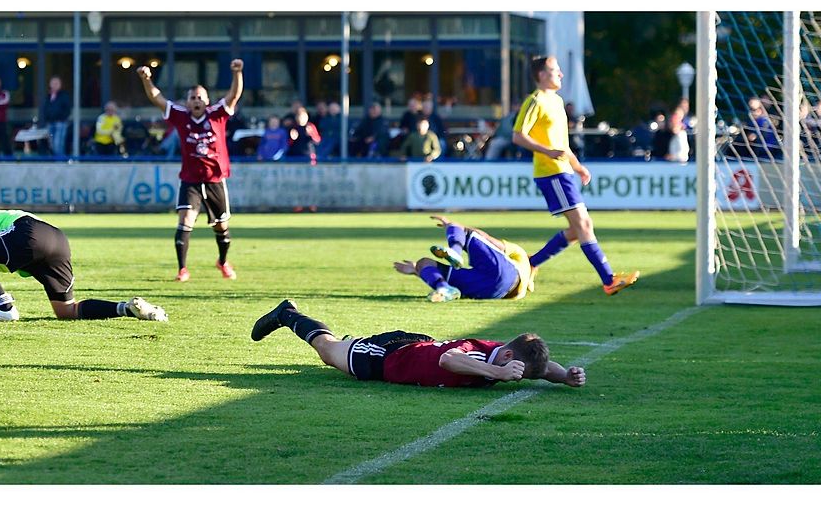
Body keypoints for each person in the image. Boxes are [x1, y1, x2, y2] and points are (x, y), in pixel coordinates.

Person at [512, 56, 639, 296]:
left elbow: (562, 143)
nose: (560, 74)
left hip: (564, 171)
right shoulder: (535, 100)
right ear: (541, 75)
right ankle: (609, 279)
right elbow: (518, 135)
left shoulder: (557, 101)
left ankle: (532, 263)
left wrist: (578, 166)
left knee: (575, 231)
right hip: (551, 173)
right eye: (554, 70)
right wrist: (548, 152)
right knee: (584, 225)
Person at [250, 300, 587, 389]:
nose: (517, 377)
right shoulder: (482, 355)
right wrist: (495, 373)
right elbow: (449, 361)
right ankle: (287, 314)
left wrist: (564, 376)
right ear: (508, 356)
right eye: (517, 371)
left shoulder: (509, 354)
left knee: (332, 353)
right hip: (392, 356)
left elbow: (540, 369)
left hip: (418, 347)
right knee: (328, 351)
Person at [0, 207, 168, 323]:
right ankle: (127, 309)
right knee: (67, 311)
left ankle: (5, 308)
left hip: (28, 234)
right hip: (56, 239)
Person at [137, 58, 244, 282]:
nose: (196, 101)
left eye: (200, 98)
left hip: (215, 179)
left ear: (206, 101)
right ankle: (182, 269)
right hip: (191, 180)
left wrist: (236, 73)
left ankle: (223, 262)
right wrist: (147, 80)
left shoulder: (217, 114)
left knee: (221, 226)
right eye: (192, 98)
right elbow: (157, 98)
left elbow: (234, 95)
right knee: (185, 221)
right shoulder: (180, 116)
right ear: (187, 102)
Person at [393, 215, 533, 303]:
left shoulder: (520, 255)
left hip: (505, 275)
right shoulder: (526, 285)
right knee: (424, 264)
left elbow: (488, 240)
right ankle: (445, 289)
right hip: (494, 293)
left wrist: (455, 228)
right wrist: (418, 270)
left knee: (463, 230)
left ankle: (455, 251)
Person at [42, 76, 72, 156]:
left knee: (58, 144)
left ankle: (60, 163)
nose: (55, 85)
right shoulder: (48, 96)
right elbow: (45, 109)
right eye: (53, 83)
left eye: (57, 83)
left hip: (60, 124)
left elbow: (67, 109)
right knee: (51, 144)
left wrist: (62, 118)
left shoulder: (64, 96)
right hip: (50, 123)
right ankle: (56, 161)